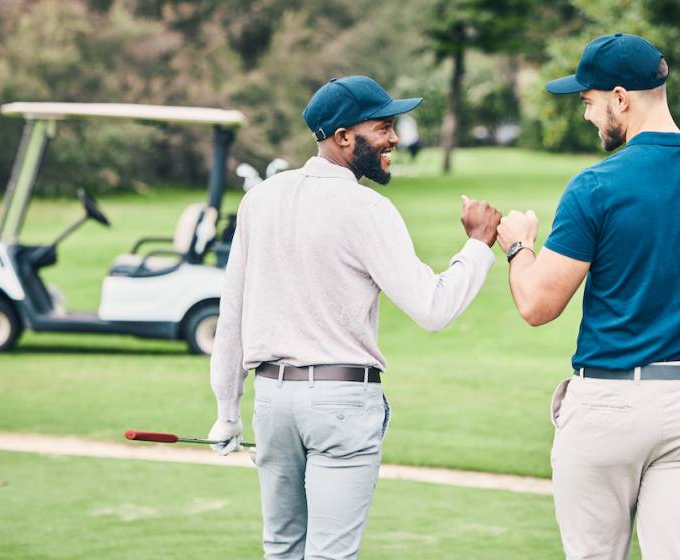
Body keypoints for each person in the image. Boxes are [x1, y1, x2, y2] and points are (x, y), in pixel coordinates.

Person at [496, 33, 680, 559]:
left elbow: (537, 306)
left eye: (589, 102)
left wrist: (519, 245)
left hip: (607, 406)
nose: (587, 116)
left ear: (620, 97)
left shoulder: (595, 186)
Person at [208, 75, 502, 560]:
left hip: (273, 401)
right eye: (383, 128)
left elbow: (232, 312)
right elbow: (433, 309)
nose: (395, 139)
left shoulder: (259, 199)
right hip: (340, 402)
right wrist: (478, 245)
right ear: (343, 137)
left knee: (280, 549)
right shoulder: (368, 209)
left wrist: (226, 411)